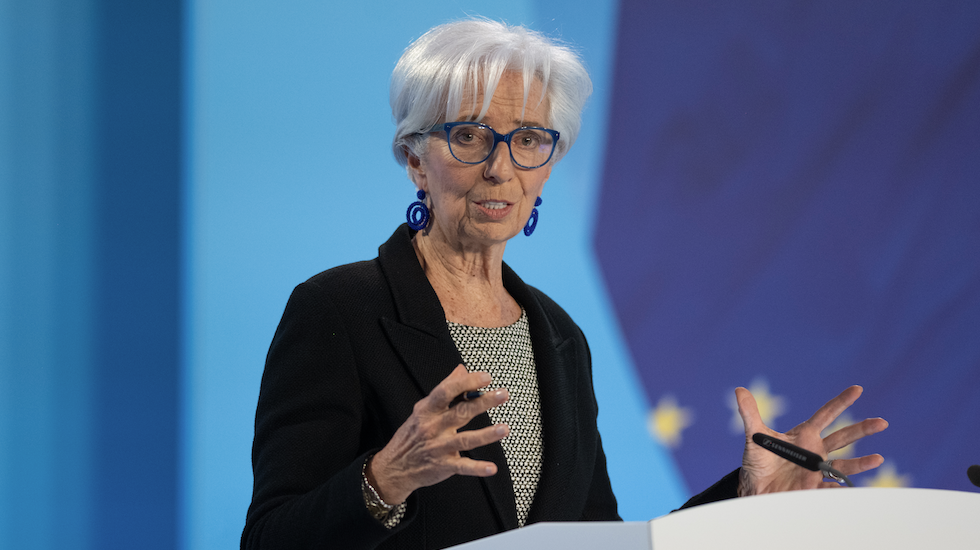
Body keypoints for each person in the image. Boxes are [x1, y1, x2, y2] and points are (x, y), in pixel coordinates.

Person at [241, 18, 888, 550]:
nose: (500, 169)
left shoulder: (558, 335)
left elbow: (598, 540)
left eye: (528, 140)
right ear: (414, 159)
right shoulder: (339, 310)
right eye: (468, 136)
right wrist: (385, 479)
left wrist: (744, 499)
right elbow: (269, 539)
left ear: (548, 165)